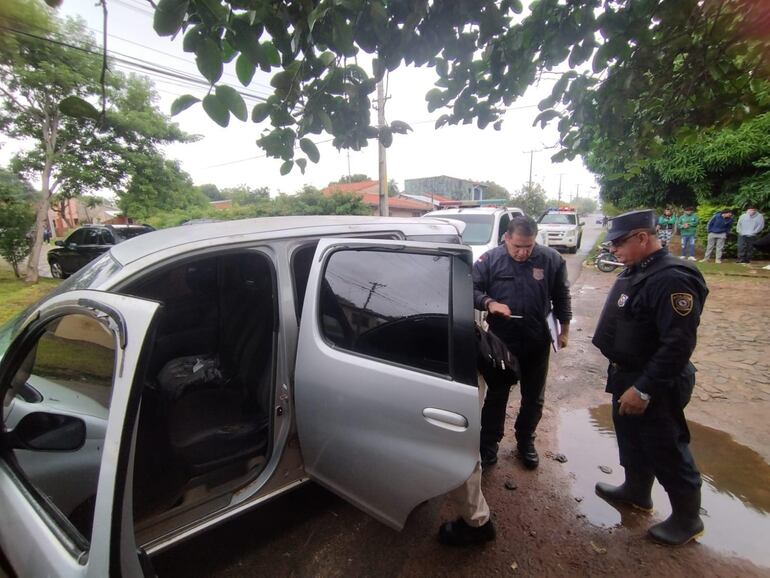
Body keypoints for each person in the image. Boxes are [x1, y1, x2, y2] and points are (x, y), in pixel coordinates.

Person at [592, 209, 709, 546]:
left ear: (642, 237)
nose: (614, 249)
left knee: (666, 446)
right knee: (631, 437)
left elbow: (678, 344)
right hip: (627, 373)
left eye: (618, 243)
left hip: (655, 382)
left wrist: (643, 389)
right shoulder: (639, 269)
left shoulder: (672, 278)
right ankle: (636, 491)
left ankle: (687, 519)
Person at [472, 216, 572, 470]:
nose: (523, 252)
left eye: (528, 246)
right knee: (498, 393)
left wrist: (564, 330)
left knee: (533, 397)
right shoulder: (490, 260)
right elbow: (470, 289)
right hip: (501, 341)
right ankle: (489, 444)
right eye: (517, 246)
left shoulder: (551, 259)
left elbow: (562, 296)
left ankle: (525, 441)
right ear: (506, 238)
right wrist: (489, 303)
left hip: (537, 339)